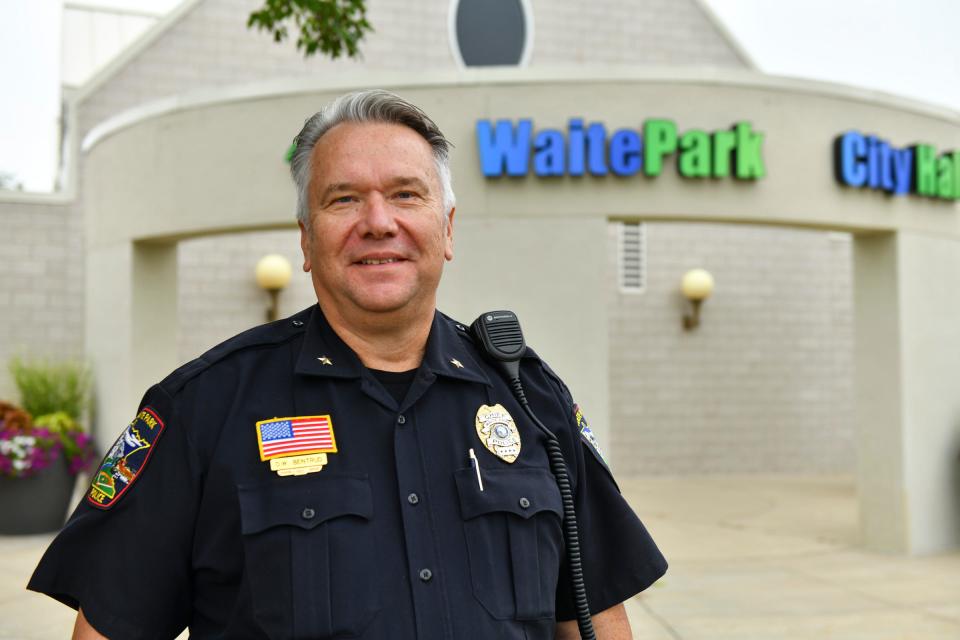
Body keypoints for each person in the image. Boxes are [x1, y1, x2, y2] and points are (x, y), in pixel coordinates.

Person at [29, 89, 667, 639]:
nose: (378, 222)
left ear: (448, 229)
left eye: (405, 194)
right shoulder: (203, 407)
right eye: (343, 200)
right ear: (306, 241)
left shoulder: (532, 399)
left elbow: (594, 616)